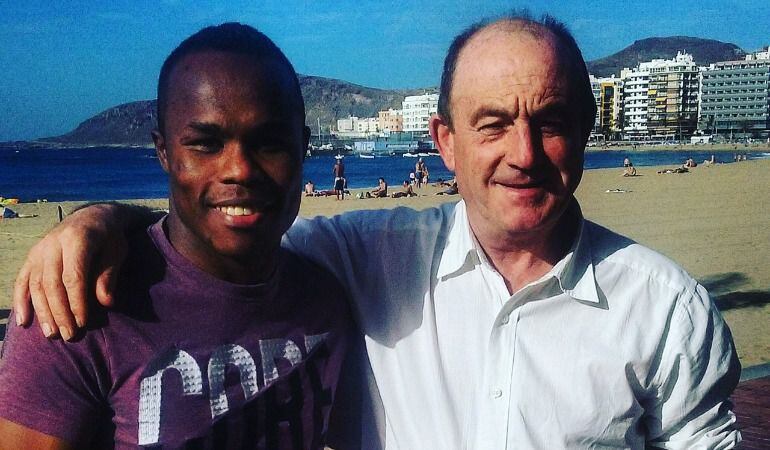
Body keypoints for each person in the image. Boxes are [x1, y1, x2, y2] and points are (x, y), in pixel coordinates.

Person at [13, 13, 741, 449]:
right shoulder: (367, 255)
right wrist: (100, 222)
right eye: (492, 124)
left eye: (550, 123)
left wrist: (99, 217)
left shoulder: (665, 308)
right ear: (445, 141)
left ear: (585, 133)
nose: (523, 153)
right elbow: (222, 230)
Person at [0, 23, 352, 448]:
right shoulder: (79, 304)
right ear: (164, 152)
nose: (238, 169)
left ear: (302, 147)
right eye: (205, 144)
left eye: (269, 144)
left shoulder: (326, 300)